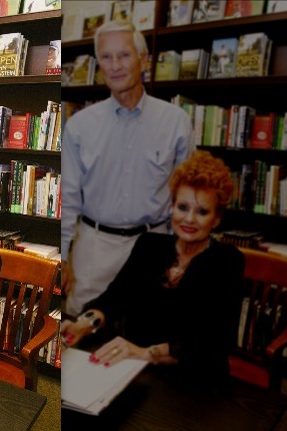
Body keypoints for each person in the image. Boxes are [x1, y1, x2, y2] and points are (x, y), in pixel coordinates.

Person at [61, 151, 244, 383]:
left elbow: (214, 343)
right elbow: (114, 298)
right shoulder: (150, 245)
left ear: (217, 219)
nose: (188, 219)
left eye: (202, 212)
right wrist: (85, 324)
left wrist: (147, 353)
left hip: (194, 380)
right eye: (183, 207)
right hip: (134, 368)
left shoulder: (227, 261)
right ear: (172, 207)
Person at [61, 20, 192, 316]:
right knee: (84, 334)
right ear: (99, 64)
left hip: (155, 247)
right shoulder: (80, 126)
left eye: (124, 55)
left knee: (143, 336)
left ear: (144, 59)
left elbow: (187, 196)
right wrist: (63, 258)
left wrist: (182, 256)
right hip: (93, 251)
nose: (115, 65)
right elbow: (68, 198)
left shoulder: (176, 122)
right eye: (106, 57)